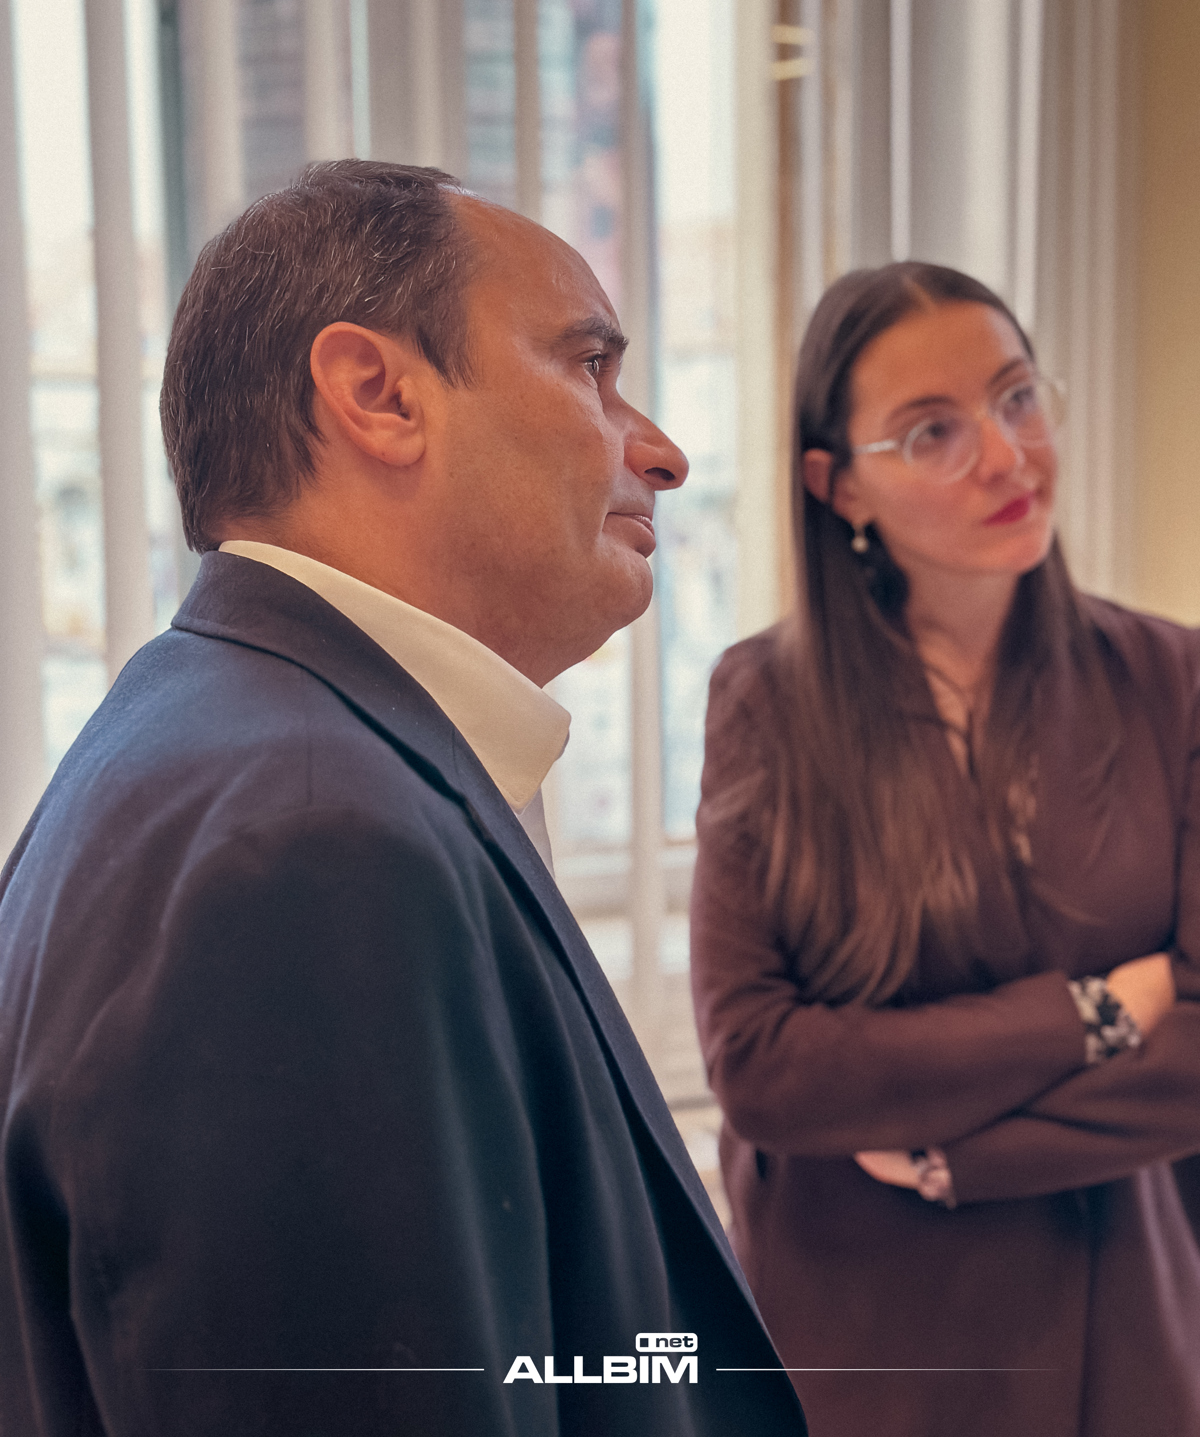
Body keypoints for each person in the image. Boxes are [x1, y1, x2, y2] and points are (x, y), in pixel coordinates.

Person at [0, 162, 806, 1436]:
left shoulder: (234, 742)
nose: (662, 450)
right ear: (377, 395)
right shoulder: (308, 846)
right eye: (590, 368)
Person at [690, 260, 1200, 1437]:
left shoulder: (1171, 679)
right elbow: (762, 1064)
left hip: (1122, 1323)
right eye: (934, 431)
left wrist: (953, 1158)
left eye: (1017, 397)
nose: (1008, 456)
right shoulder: (766, 701)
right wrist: (1091, 1015)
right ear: (838, 487)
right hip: (864, 1344)